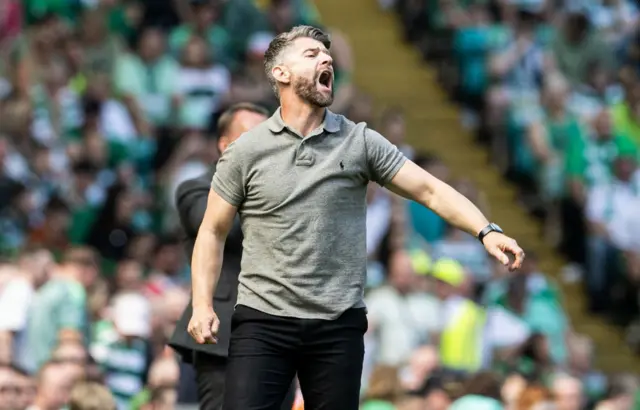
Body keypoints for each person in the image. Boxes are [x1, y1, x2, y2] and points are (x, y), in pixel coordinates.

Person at [188, 25, 525, 410]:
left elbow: (429, 189)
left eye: (326, 54)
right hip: (264, 321)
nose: (326, 58)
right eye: (311, 54)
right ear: (281, 73)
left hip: (338, 325)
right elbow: (212, 231)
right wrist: (202, 304)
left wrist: (486, 230)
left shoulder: (360, 141)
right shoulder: (246, 150)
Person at [168, 103, 296, 410]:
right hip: (223, 332)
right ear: (224, 144)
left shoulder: (287, 190)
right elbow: (223, 229)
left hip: (281, 331)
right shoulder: (196, 189)